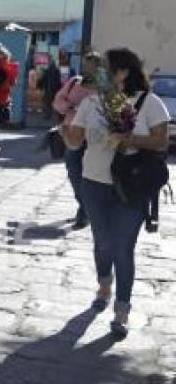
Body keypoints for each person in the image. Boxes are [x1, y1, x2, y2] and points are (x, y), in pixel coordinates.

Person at [63, 48, 169, 339]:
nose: (98, 74)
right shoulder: (90, 102)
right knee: (102, 243)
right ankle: (104, 283)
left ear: (122, 73)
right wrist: (63, 129)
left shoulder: (149, 103)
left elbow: (161, 142)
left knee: (123, 249)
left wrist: (129, 138)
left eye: (104, 69)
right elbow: (74, 143)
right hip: (94, 182)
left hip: (131, 185)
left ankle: (122, 308)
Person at [53, 52, 102, 229]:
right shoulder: (74, 81)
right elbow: (57, 101)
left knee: (93, 175)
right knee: (74, 173)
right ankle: (84, 207)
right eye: (85, 64)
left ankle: (86, 211)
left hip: (95, 137)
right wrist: (69, 106)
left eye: (92, 64)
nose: (88, 67)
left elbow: (114, 106)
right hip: (72, 133)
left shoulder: (105, 84)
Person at [39, 56, 63, 122]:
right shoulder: (57, 70)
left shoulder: (47, 71)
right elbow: (59, 80)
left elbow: (42, 80)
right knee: (55, 103)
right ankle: (59, 116)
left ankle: (48, 115)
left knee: (47, 103)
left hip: (49, 89)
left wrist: (40, 86)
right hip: (55, 89)